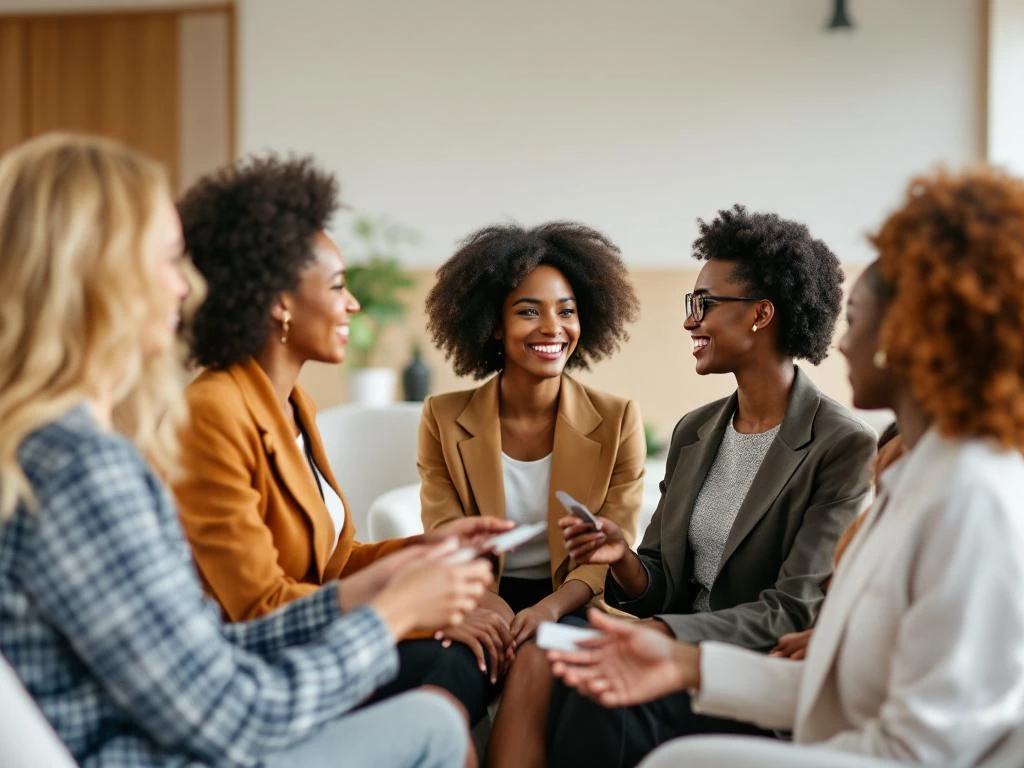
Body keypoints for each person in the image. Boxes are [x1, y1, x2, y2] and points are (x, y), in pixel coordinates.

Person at [0, 133, 494, 767]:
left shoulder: (47, 450)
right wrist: (391, 617)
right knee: (435, 723)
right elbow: (234, 717)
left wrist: (369, 590)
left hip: (158, 728)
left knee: (436, 704)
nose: (186, 289)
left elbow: (201, 652)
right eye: (167, 261)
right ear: (101, 277)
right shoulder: (87, 470)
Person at [549, 170, 1024, 768]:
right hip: (767, 687)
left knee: (654, 740)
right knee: (576, 671)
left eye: (858, 321)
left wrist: (674, 646)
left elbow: (809, 626)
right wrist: (647, 604)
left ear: (907, 334)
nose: (843, 345)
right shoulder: (914, 477)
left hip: (797, 703)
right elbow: (839, 677)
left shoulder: (955, 491)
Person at [171, 155, 512, 727]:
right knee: (450, 661)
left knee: (474, 653)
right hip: (258, 673)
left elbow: (336, 562)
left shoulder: (294, 405)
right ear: (280, 302)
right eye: (336, 286)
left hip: (317, 637)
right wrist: (416, 615)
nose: (352, 303)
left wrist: (430, 546)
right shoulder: (212, 413)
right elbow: (257, 609)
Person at [549, 204, 878, 767]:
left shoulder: (841, 445)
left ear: (760, 314)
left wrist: (663, 634)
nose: (689, 321)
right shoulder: (695, 431)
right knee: (571, 658)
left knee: (597, 691)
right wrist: (622, 559)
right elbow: (662, 580)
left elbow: (792, 610)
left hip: (747, 680)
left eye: (704, 304)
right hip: (674, 651)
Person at [418, 222, 644, 766]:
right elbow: (446, 534)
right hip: (480, 596)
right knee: (443, 669)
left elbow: (606, 554)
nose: (553, 327)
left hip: (572, 599)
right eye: (528, 311)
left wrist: (547, 608)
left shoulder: (617, 419)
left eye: (566, 310)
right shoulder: (444, 418)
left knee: (538, 661)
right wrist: (493, 611)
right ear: (493, 325)